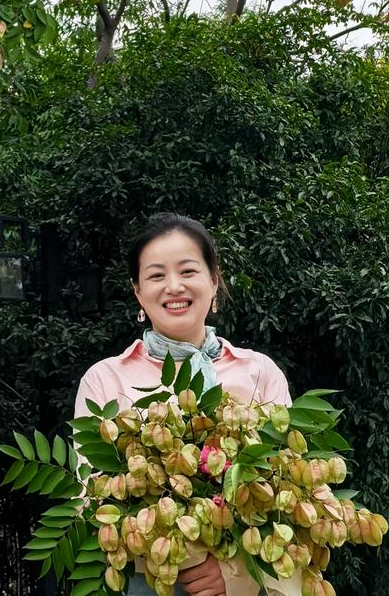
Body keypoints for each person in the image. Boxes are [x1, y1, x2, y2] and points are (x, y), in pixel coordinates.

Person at [74, 213, 291, 596]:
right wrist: (187, 561)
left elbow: (286, 488)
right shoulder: (106, 379)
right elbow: (89, 498)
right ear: (138, 292)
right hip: (151, 582)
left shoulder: (259, 372)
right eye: (156, 276)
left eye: (188, 271)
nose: (173, 286)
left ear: (214, 280)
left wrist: (231, 572)